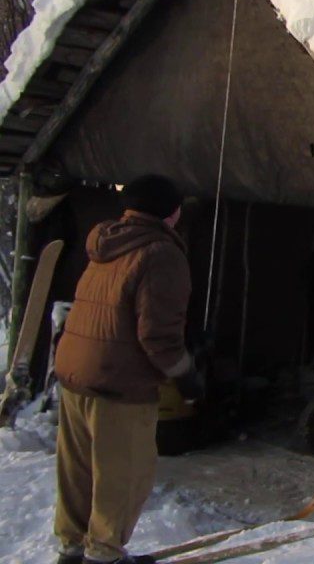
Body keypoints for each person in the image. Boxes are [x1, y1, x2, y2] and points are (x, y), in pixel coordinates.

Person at [52, 175, 202, 564]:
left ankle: (71, 547)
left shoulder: (105, 243)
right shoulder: (160, 254)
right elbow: (158, 334)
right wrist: (185, 373)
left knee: (78, 470)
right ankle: (104, 555)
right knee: (123, 475)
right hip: (119, 383)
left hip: (75, 372)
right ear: (171, 212)